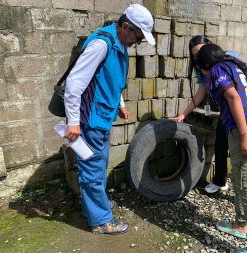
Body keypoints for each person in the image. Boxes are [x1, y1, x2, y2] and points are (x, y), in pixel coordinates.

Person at [64, 4, 155, 234]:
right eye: (138, 36)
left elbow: (111, 80)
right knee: (93, 170)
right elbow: (74, 84)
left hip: (102, 117)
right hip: (90, 121)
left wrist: (121, 105)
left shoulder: (119, 43)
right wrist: (73, 121)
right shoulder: (101, 44)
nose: (139, 42)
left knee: (99, 165)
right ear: (125, 26)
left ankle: (96, 207)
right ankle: (101, 221)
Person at [171, 35, 247, 208]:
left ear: (210, 47)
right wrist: (184, 114)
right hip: (227, 111)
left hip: (244, 111)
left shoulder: (225, 60)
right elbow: (202, 90)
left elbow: (237, 92)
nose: (197, 56)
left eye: (200, 51)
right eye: (194, 54)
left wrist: (244, 132)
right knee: (221, 144)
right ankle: (221, 181)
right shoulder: (203, 67)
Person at [197, 43, 247, 253]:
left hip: (246, 129)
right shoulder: (234, 66)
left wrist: (245, 135)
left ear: (207, 64)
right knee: (238, 178)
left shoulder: (218, 69)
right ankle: (240, 223)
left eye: (201, 67)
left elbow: (233, 97)